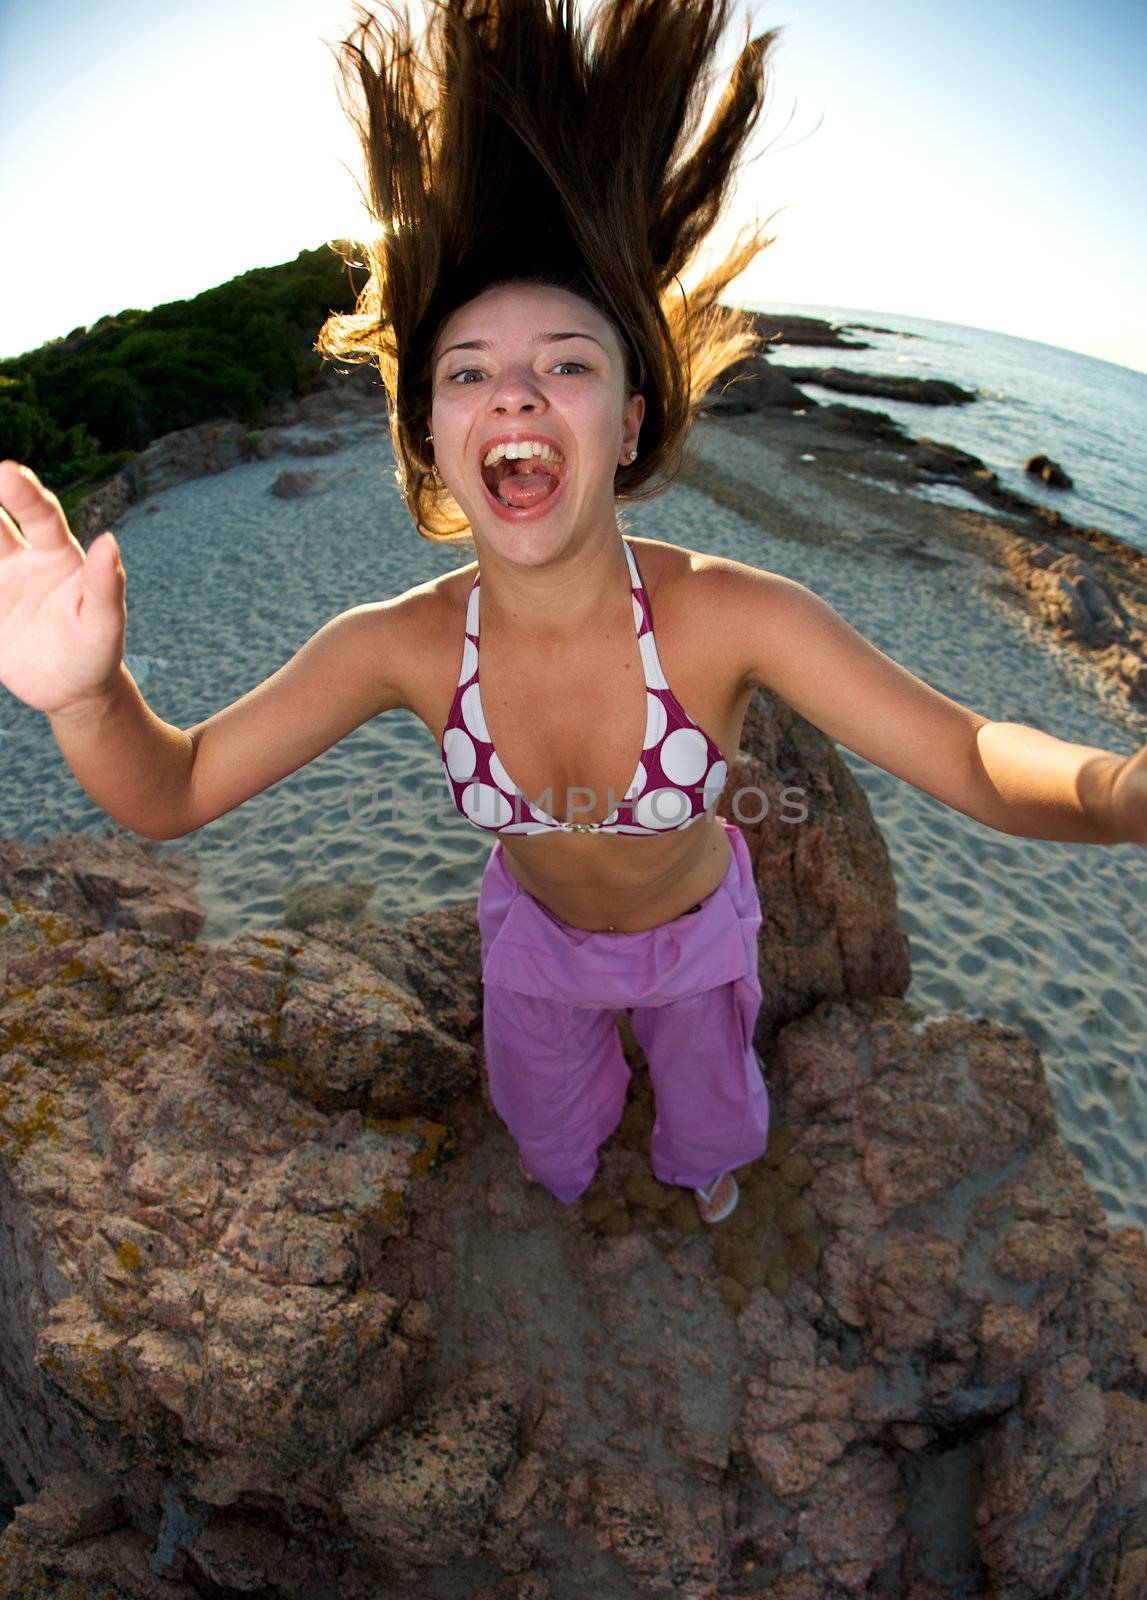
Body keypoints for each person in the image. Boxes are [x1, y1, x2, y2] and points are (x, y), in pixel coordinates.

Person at [1, 1, 1143, 1227]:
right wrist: (86, 696)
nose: (517, 394)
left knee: (713, 1117)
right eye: (469, 373)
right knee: (550, 1131)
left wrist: (1121, 793)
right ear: (431, 437)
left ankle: (702, 1169)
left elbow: (971, 757)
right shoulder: (397, 644)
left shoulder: (728, 617)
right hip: (534, 949)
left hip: (699, 938)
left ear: (631, 419)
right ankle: (575, 1170)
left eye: (568, 363)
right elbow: (170, 791)